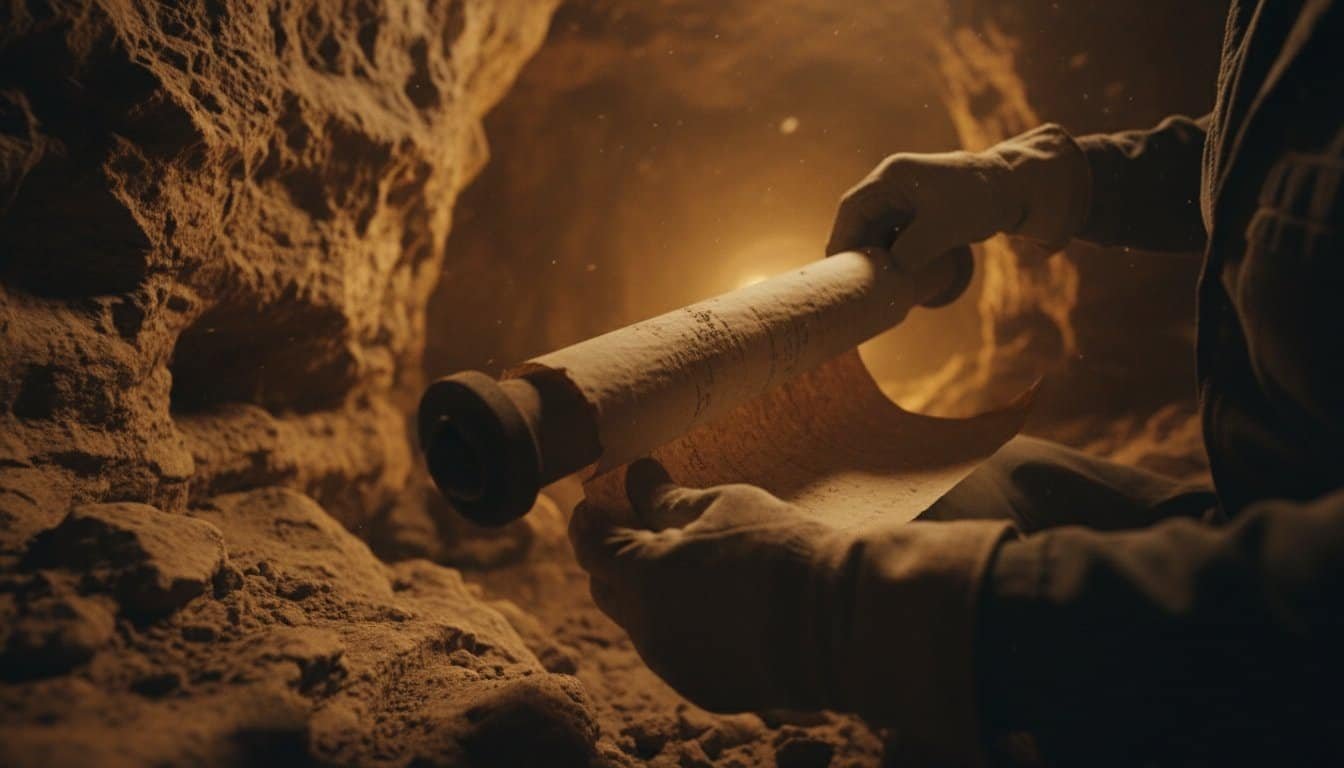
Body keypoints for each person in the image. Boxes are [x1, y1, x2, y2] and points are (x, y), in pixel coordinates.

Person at [569, 1, 1344, 763]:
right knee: (924, 497)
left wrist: (836, 616)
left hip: (1304, 647)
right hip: (1265, 515)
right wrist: (1036, 181)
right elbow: (1282, 140)